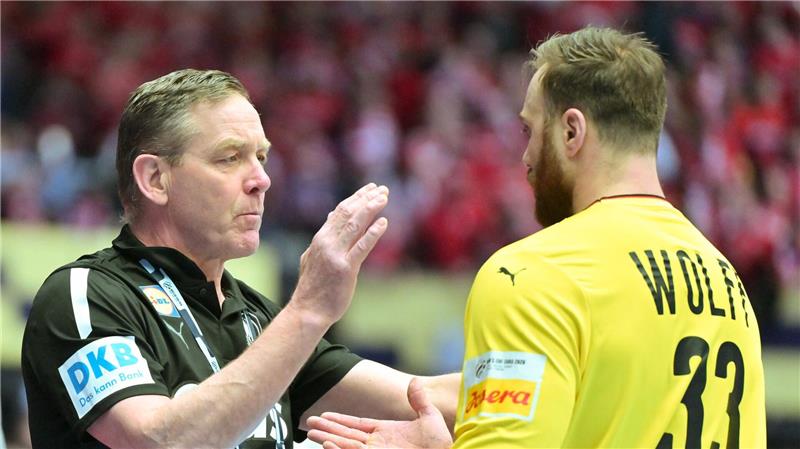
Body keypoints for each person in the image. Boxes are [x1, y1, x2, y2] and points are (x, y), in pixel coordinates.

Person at [306, 26, 767, 449]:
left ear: (572, 131)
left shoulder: (532, 274)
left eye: (530, 129)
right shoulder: (727, 283)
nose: (525, 156)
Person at [21, 69, 459, 449]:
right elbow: (159, 440)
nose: (262, 179)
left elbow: (434, 398)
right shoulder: (85, 295)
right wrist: (308, 310)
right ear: (155, 178)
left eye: (261, 156)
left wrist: (525, 361)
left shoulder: (260, 322)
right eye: (230, 158)